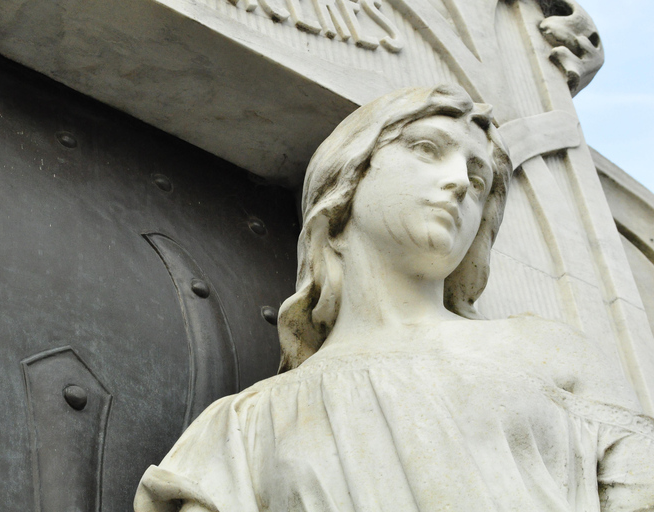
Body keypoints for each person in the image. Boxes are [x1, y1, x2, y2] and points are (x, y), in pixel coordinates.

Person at [134, 85, 654, 511]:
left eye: (478, 179)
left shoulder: (550, 355)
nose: (457, 183)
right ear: (347, 179)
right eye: (427, 149)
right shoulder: (240, 433)